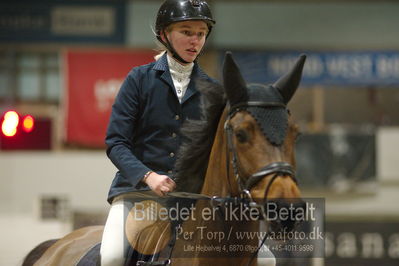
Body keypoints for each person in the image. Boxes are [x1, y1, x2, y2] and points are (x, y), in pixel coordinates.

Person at [100, 0, 216, 265]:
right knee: (112, 257)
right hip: (137, 194)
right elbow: (116, 142)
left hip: (192, 201)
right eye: (186, 32)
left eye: (201, 34)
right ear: (164, 34)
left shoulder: (213, 90)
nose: (195, 40)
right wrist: (148, 176)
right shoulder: (139, 79)